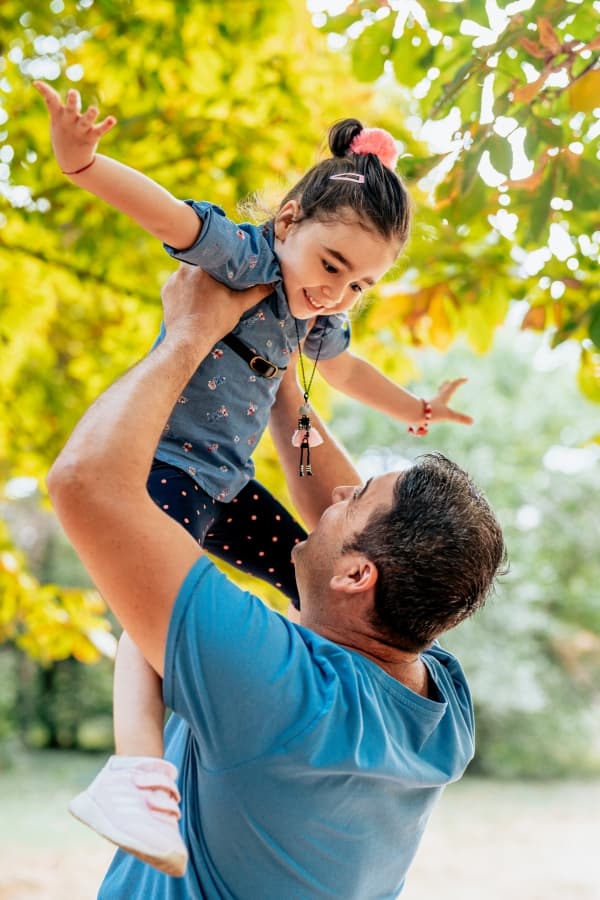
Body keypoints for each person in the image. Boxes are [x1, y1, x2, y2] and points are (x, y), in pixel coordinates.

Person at [34, 82, 474, 875]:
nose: (338, 292)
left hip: (224, 483)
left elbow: (342, 371)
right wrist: (84, 163)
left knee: (304, 561)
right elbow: (168, 213)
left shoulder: (317, 316)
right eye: (332, 265)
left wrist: (412, 406)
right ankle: (138, 769)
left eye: (359, 285)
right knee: (155, 607)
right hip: (170, 469)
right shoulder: (246, 259)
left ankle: (158, 750)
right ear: (288, 223)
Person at [47, 265, 505, 899]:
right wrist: (280, 373)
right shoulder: (437, 705)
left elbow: (85, 481)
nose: (339, 490)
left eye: (358, 496)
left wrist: (189, 332)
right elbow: (341, 540)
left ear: (357, 575)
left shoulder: (281, 685)